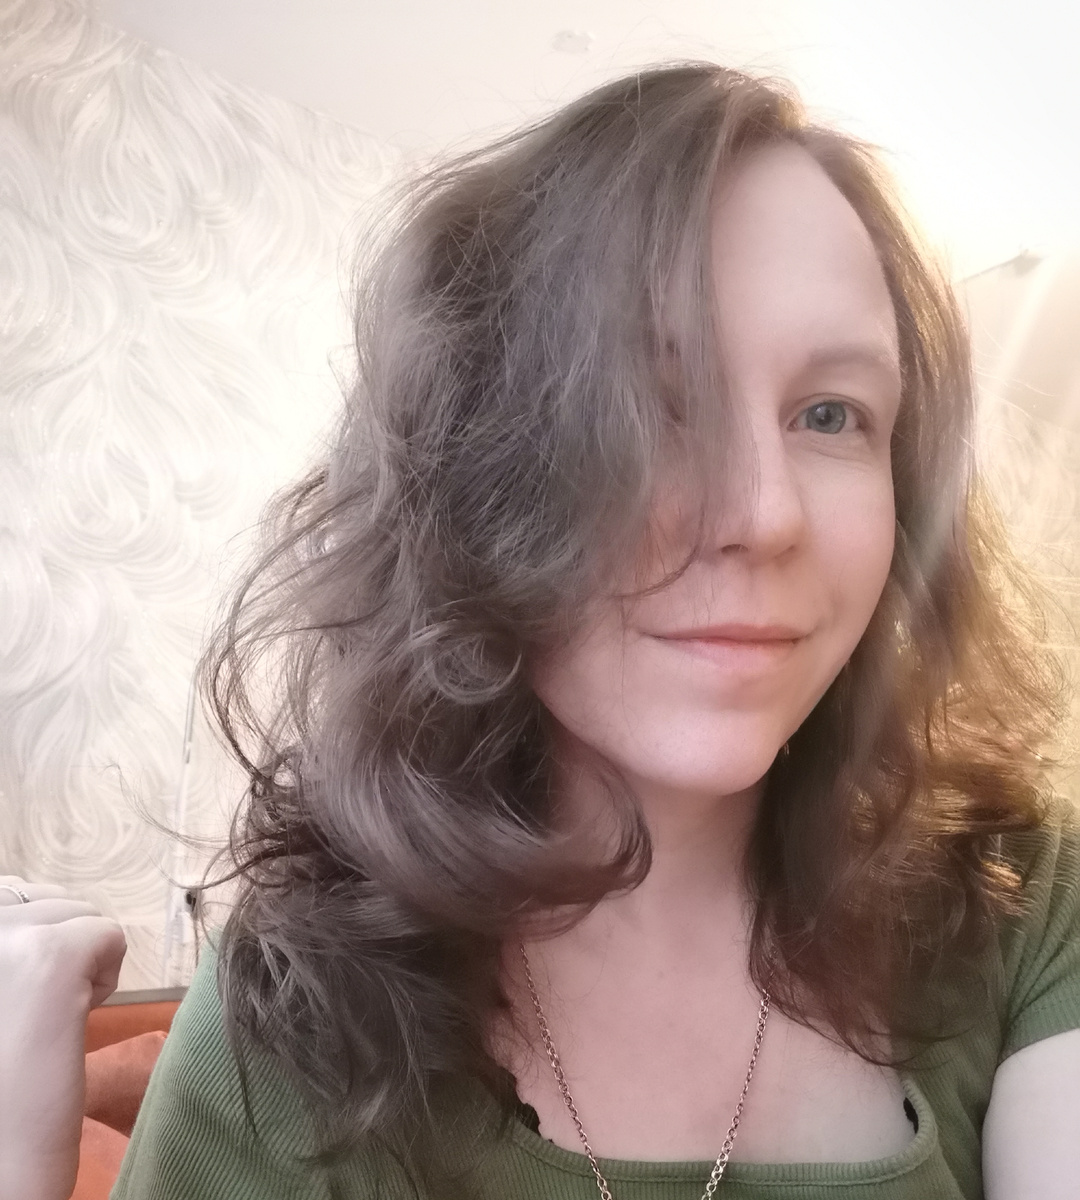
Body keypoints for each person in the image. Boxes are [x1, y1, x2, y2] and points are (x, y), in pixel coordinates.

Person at [4, 61, 1079, 1199]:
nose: (765, 515)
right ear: (471, 472)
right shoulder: (296, 1008)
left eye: (831, 414)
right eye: (649, 406)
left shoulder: (1023, 904)